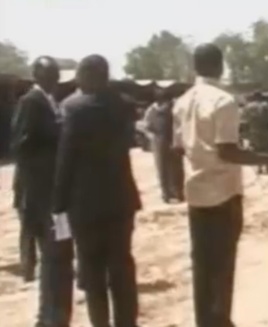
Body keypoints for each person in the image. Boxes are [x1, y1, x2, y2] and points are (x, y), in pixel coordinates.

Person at [172, 43, 268, 327]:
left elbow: (176, 148)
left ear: (195, 67)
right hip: (222, 192)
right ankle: (220, 320)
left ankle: (206, 321)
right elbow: (227, 151)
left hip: (196, 192)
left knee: (202, 264)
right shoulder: (223, 102)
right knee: (223, 264)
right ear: (220, 66)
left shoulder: (182, 101)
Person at [53, 54, 141, 327]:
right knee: (122, 269)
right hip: (121, 200)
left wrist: (58, 204)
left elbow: (66, 160)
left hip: (85, 204)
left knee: (92, 274)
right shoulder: (124, 106)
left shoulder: (74, 109)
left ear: (89, 76)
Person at [12, 56, 75, 327]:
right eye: (48, 75)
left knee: (58, 258)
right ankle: (49, 317)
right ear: (37, 76)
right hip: (41, 195)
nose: (54, 80)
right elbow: (22, 146)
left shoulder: (50, 103)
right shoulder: (31, 103)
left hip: (53, 194)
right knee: (52, 257)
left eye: (56, 75)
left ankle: (52, 315)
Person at [144, 88, 185, 203]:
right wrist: (152, 137)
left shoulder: (175, 108)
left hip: (173, 139)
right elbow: (146, 126)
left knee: (177, 168)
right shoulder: (151, 110)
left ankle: (178, 193)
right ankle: (166, 194)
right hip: (159, 141)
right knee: (162, 168)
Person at [245, 91, 268, 174]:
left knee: (257, 150)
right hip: (264, 129)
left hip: (253, 130)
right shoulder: (265, 105)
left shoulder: (248, 106)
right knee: (267, 149)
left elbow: (245, 119)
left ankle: (259, 168)